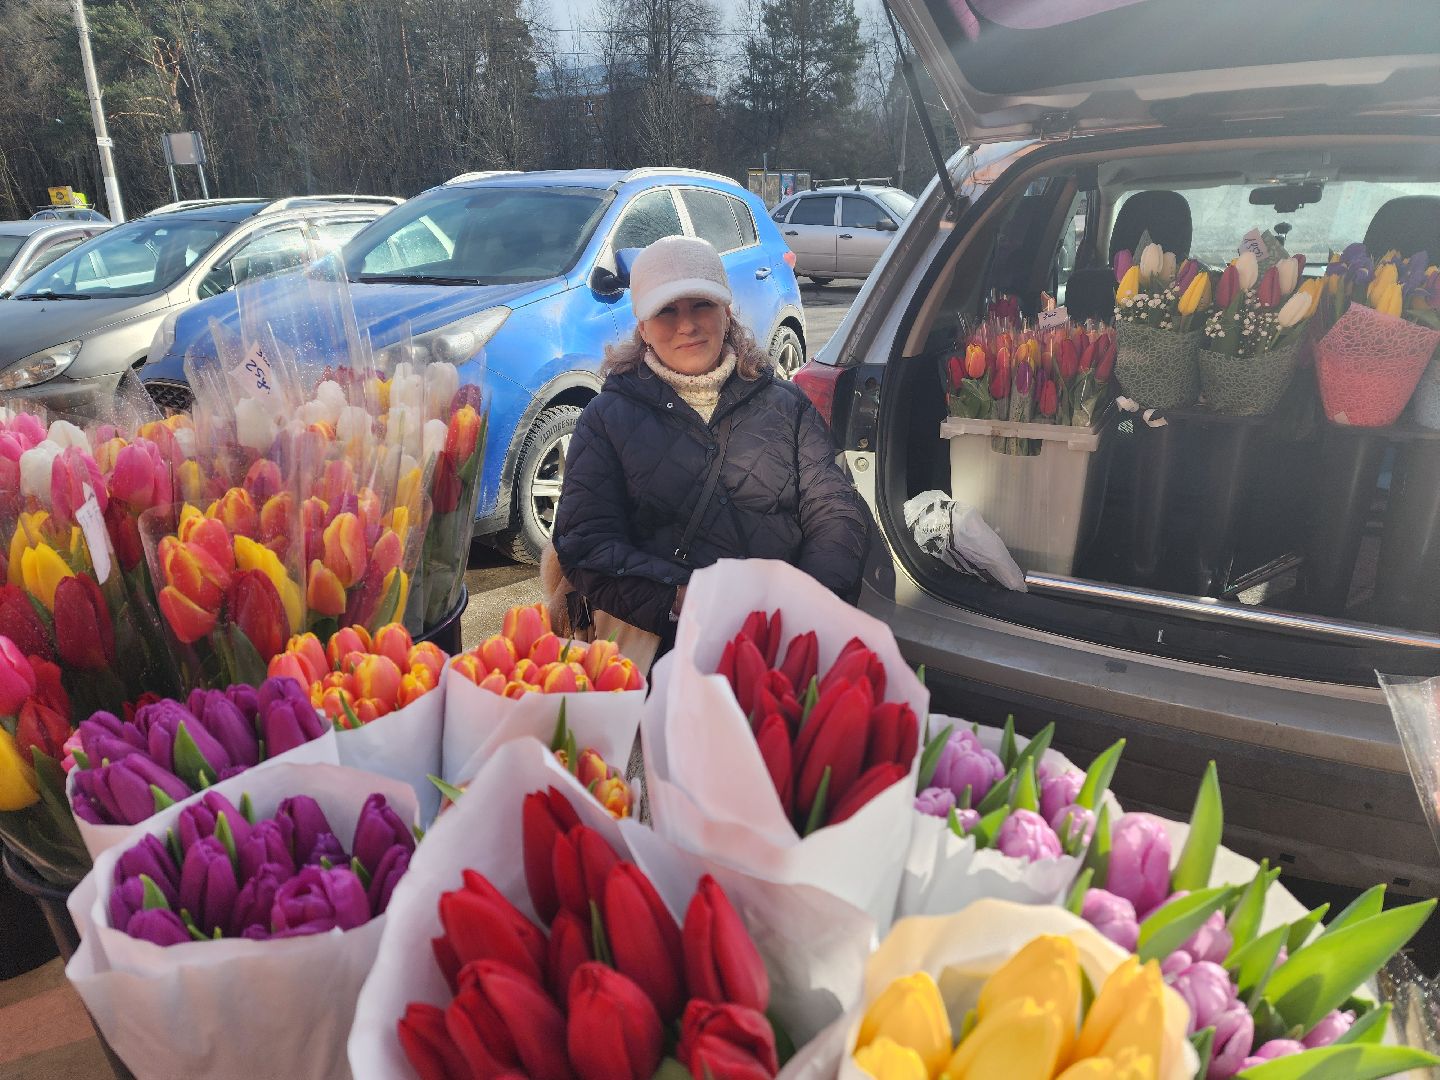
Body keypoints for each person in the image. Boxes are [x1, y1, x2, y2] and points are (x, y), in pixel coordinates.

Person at [548, 235, 869, 654]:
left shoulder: (786, 405)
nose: (687, 324)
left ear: (726, 311)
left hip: (784, 643)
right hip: (666, 653)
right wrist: (685, 597)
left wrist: (809, 602)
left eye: (701, 304)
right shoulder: (606, 420)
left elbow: (836, 512)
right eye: (666, 310)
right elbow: (586, 544)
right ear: (642, 326)